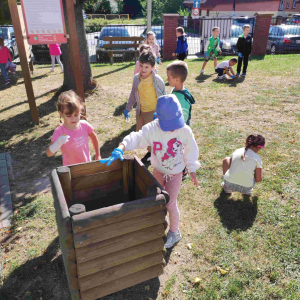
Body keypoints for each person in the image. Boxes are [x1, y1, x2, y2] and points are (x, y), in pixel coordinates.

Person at [101, 95, 201, 248]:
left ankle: (175, 232)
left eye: (176, 123)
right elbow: (137, 137)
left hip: (175, 173)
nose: (174, 128)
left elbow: (191, 150)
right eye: (170, 125)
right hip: (158, 171)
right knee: (157, 200)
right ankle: (159, 222)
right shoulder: (153, 129)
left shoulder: (184, 130)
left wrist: (192, 168)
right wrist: (121, 147)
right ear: (159, 119)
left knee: (171, 203)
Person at [124, 49, 166, 165]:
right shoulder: (136, 79)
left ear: (152, 67)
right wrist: (128, 108)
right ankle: (152, 151)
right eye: (141, 66)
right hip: (141, 111)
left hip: (153, 112)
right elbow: (133, 94)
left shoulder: (157, 80)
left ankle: (152, 153)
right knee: (142, 134)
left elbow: (163, 96)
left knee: (152, 135)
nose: (143, 69)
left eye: (146, 67)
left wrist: (161, 112)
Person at [46, 90, 101, 166]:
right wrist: (57, 143)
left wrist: (98, 154)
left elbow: (94, 138)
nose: (73, 118)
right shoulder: (59, 131)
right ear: (61, 114)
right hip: (70, 170)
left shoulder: (84, 125)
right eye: (69, 115)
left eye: (76, 115)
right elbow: (49, 153)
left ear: (80, 111)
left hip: (87, 165)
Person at [166, 61, 195, 180]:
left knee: (178, 149)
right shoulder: (176, 90)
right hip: (174, 127)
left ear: (177, 79)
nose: (166, 79)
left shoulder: (181, 98)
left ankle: (182, 171)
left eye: (169, 77)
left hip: (178, 130)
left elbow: (182, 118)